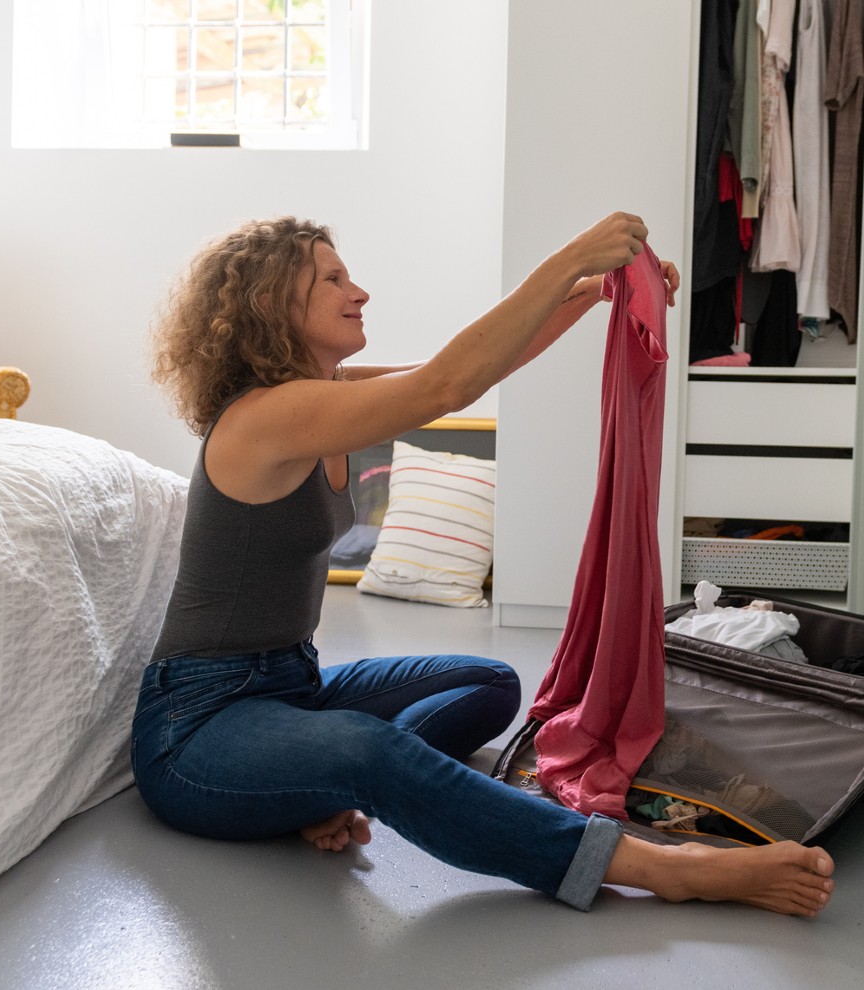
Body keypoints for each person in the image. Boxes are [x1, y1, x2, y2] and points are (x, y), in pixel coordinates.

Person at [132, 214, 835, 916]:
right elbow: (446, 385)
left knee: (487, 683)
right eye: (333, 279)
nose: (360, 292)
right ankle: (661, 868)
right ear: (271, 303)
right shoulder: (267, 416)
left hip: (291, 686)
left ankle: (331, 778)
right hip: (199, 727)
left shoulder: (329, 394)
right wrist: (567, 258)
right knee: (368, 749)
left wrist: (594, 292)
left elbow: (477, 364)